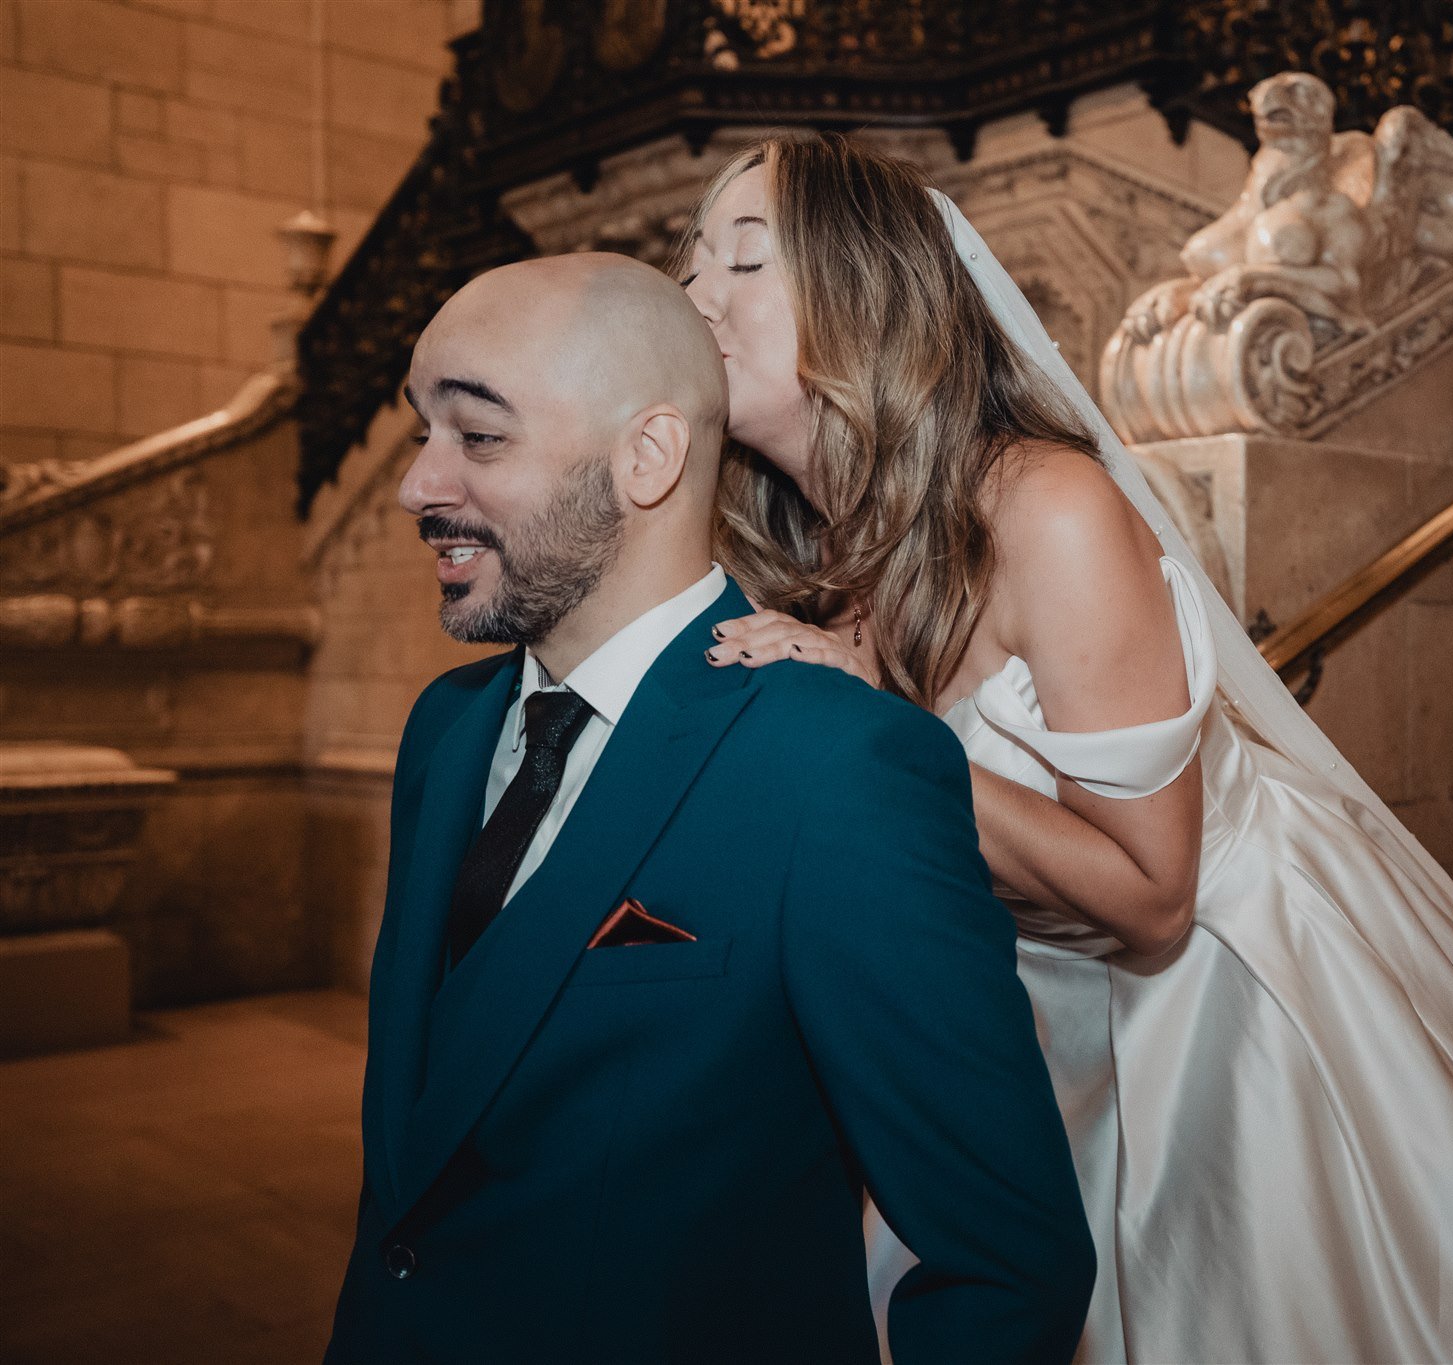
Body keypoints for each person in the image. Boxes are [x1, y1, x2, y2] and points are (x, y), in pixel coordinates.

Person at [680, 132, 1453, 1363]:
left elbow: (1152, 900)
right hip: (1034, 1018)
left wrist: (875, 737)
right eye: (687, 271)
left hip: (1234, 1011)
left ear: (865, 291)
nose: (696, 300)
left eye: (744, 260)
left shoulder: (1048, 510)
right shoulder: (820, 572)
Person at [325, 251, 1094, 1365]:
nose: (417, 485)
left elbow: (1007, 1262)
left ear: (646, 457)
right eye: (419, 431)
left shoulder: (837, 768)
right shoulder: (443, 730)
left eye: (478, 437)